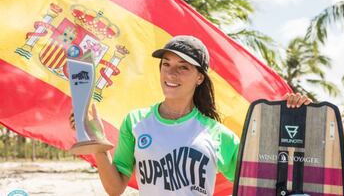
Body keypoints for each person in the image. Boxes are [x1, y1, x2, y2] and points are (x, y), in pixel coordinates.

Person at [70, 35, 312, 196]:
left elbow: (264, 178)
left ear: (199, 78)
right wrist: (97, 143)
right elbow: (115, 188)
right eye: (166, 64)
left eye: (183, 67)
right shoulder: (135, 122)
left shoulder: (217, 135)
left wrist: (294, 116)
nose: (171, 73)